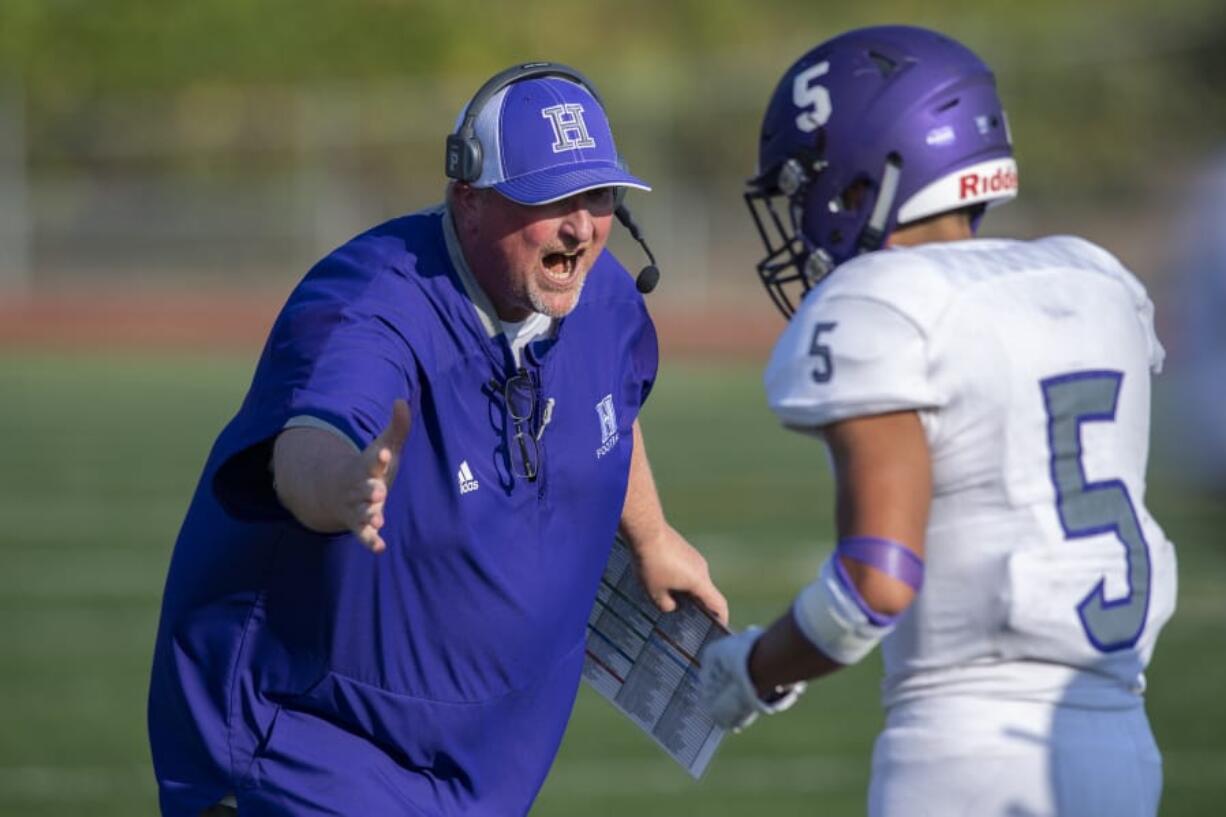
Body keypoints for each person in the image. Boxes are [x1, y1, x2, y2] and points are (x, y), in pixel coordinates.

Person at [148, 62, 728, 817]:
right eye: (549, 198)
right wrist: (345, 485)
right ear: (468, 199)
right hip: (311, 748)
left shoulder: (603, 295)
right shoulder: (374, 301)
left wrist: (650, 534)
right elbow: (310, 437)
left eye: (597, 196)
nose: (580, 226)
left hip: (483, 766)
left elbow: (609, 393)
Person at [698, 25, 1177, 817]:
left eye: (811, 181)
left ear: (863, 178)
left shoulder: (881, 302)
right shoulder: (1094, 279)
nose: (807, 212)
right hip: (1121, 746)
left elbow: (875, 581)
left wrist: (752, 669)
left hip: (968, 755)